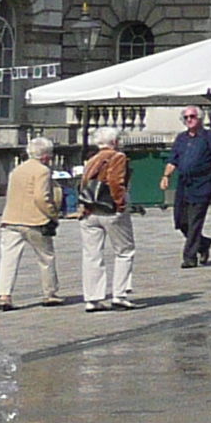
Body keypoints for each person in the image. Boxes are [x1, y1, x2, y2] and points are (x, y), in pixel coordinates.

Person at [0, 137, 64, 310]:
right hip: (34, 220)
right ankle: (50, 293)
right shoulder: (42, 171)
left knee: (8, 259)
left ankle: (4, 295)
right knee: (46, 257)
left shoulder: (17, 170)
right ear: (47, 156)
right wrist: (52, 214)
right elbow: (41, 197)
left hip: (11, 219)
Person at [73, 126, 138, 312]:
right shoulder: (117, 157)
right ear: (115, 142)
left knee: (92, 255)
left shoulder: (92, 159)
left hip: (90, 210)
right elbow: (116, 181)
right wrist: (120, 204)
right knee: (124, 251)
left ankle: (92, 298)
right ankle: (120, 294)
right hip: (109, 209)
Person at [164, 107, 211, 269]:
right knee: (181, 221)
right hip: (184, 184)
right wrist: (166, 176)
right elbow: (173, 160)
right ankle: (203, 243)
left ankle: (189, 257)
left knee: (194, 221)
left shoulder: (209, 137)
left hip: (202, 184)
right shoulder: (181, 139)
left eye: (192, 116)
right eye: (186, 118)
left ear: (199, 118)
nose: (189, 120)